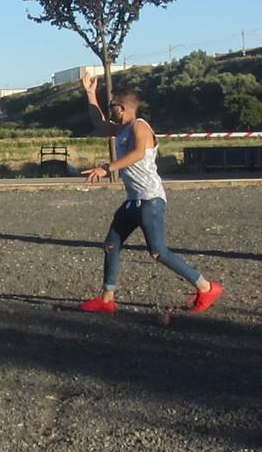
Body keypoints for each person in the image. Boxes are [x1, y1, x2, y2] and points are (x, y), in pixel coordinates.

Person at [77, 72, 223, 315]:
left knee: (158, 252)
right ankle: (107, 299)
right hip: (134, 201)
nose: (109, 110)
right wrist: (91, 94)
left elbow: (138, 153)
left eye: (111, 106)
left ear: (122, 108)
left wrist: (106, 168)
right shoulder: (122, 128)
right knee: (112, 244)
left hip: (150, 200)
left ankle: (206, 287)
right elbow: (99, 123)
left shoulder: (139, 126)